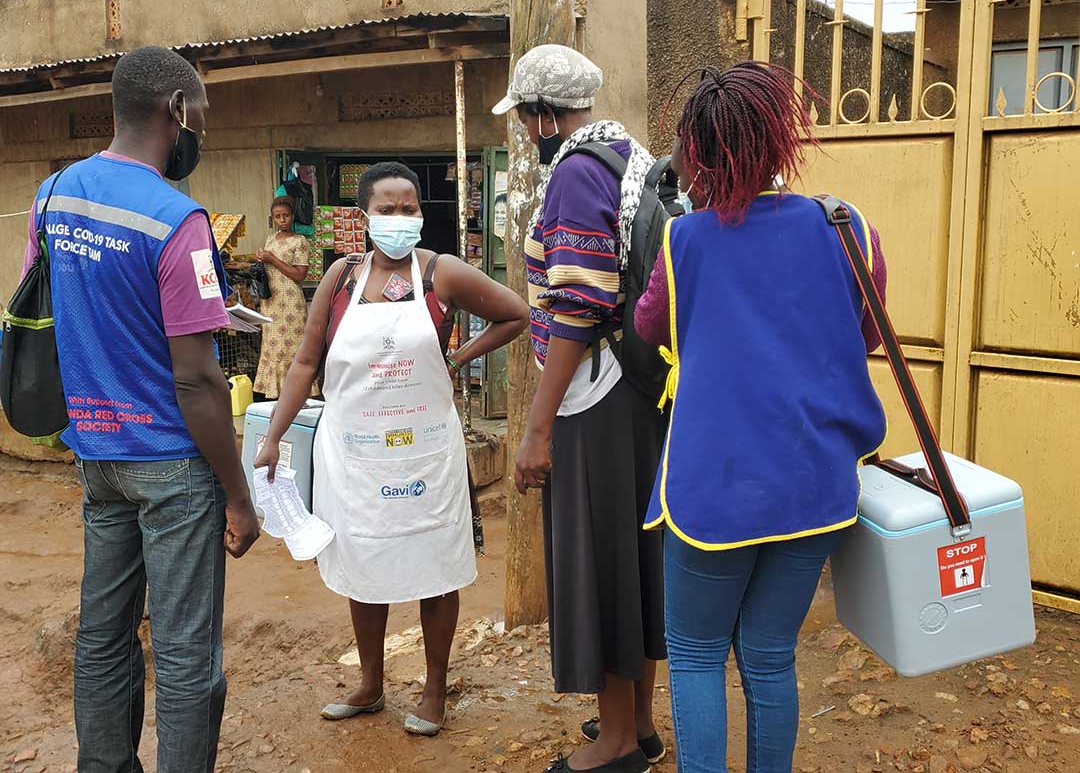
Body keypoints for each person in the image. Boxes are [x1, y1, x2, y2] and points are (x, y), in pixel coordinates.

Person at [636, 62, 888, 773]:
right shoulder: (848, 228)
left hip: (713, 493)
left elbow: (652, 326)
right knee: (771, 655)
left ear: (700, 153)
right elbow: (861, 336)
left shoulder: (684, 243)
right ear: (777, 142)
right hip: (817, 486)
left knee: (694, 655)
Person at [20, 46, 260, 773]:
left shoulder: (52, 196)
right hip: (172, 465)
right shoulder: (178, 218)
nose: (202, 130)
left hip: (97, 458)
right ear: (176, 112)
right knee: (186, 653)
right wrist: (238, 494)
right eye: (203, 116)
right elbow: (197, 380)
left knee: (103, 634)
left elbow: (64, 308)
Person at [253, 161, 529, 737]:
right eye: (388, 209)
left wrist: (459, 357)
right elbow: (307, 361)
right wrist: (274, 435)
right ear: (363, 217)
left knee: (435, 565)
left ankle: (434, 690)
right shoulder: (340, 278)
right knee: (362, 562)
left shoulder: (441, 273)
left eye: (410, 209)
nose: (401, 219)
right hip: (354, 457)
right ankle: (371, 683)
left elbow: (515, 313)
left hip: (425, 453)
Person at [497, 44, 667, 773]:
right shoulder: (631, 155)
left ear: (541, 115)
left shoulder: (573, 172)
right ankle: (643, 725)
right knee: (631, 558)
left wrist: (537, 427)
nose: (527, 133)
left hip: (591, 397)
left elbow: (577, 302)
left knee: (596, 563)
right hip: (637, 390)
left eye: (526, 118)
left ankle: (619, 742)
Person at [253, 195, 316, 399]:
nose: (282, 220)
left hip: (290, 303)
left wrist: (273, 259)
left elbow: (299, 275)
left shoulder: (300, 242)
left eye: (285, 215)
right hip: (271, 301)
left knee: (292, 346)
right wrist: (262, 260)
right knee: (272, 345)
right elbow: (269, 267)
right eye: (277, 216)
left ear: (292, 216)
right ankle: (275, 393)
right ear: (272, 218)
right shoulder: (270, 239)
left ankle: (297, 391)